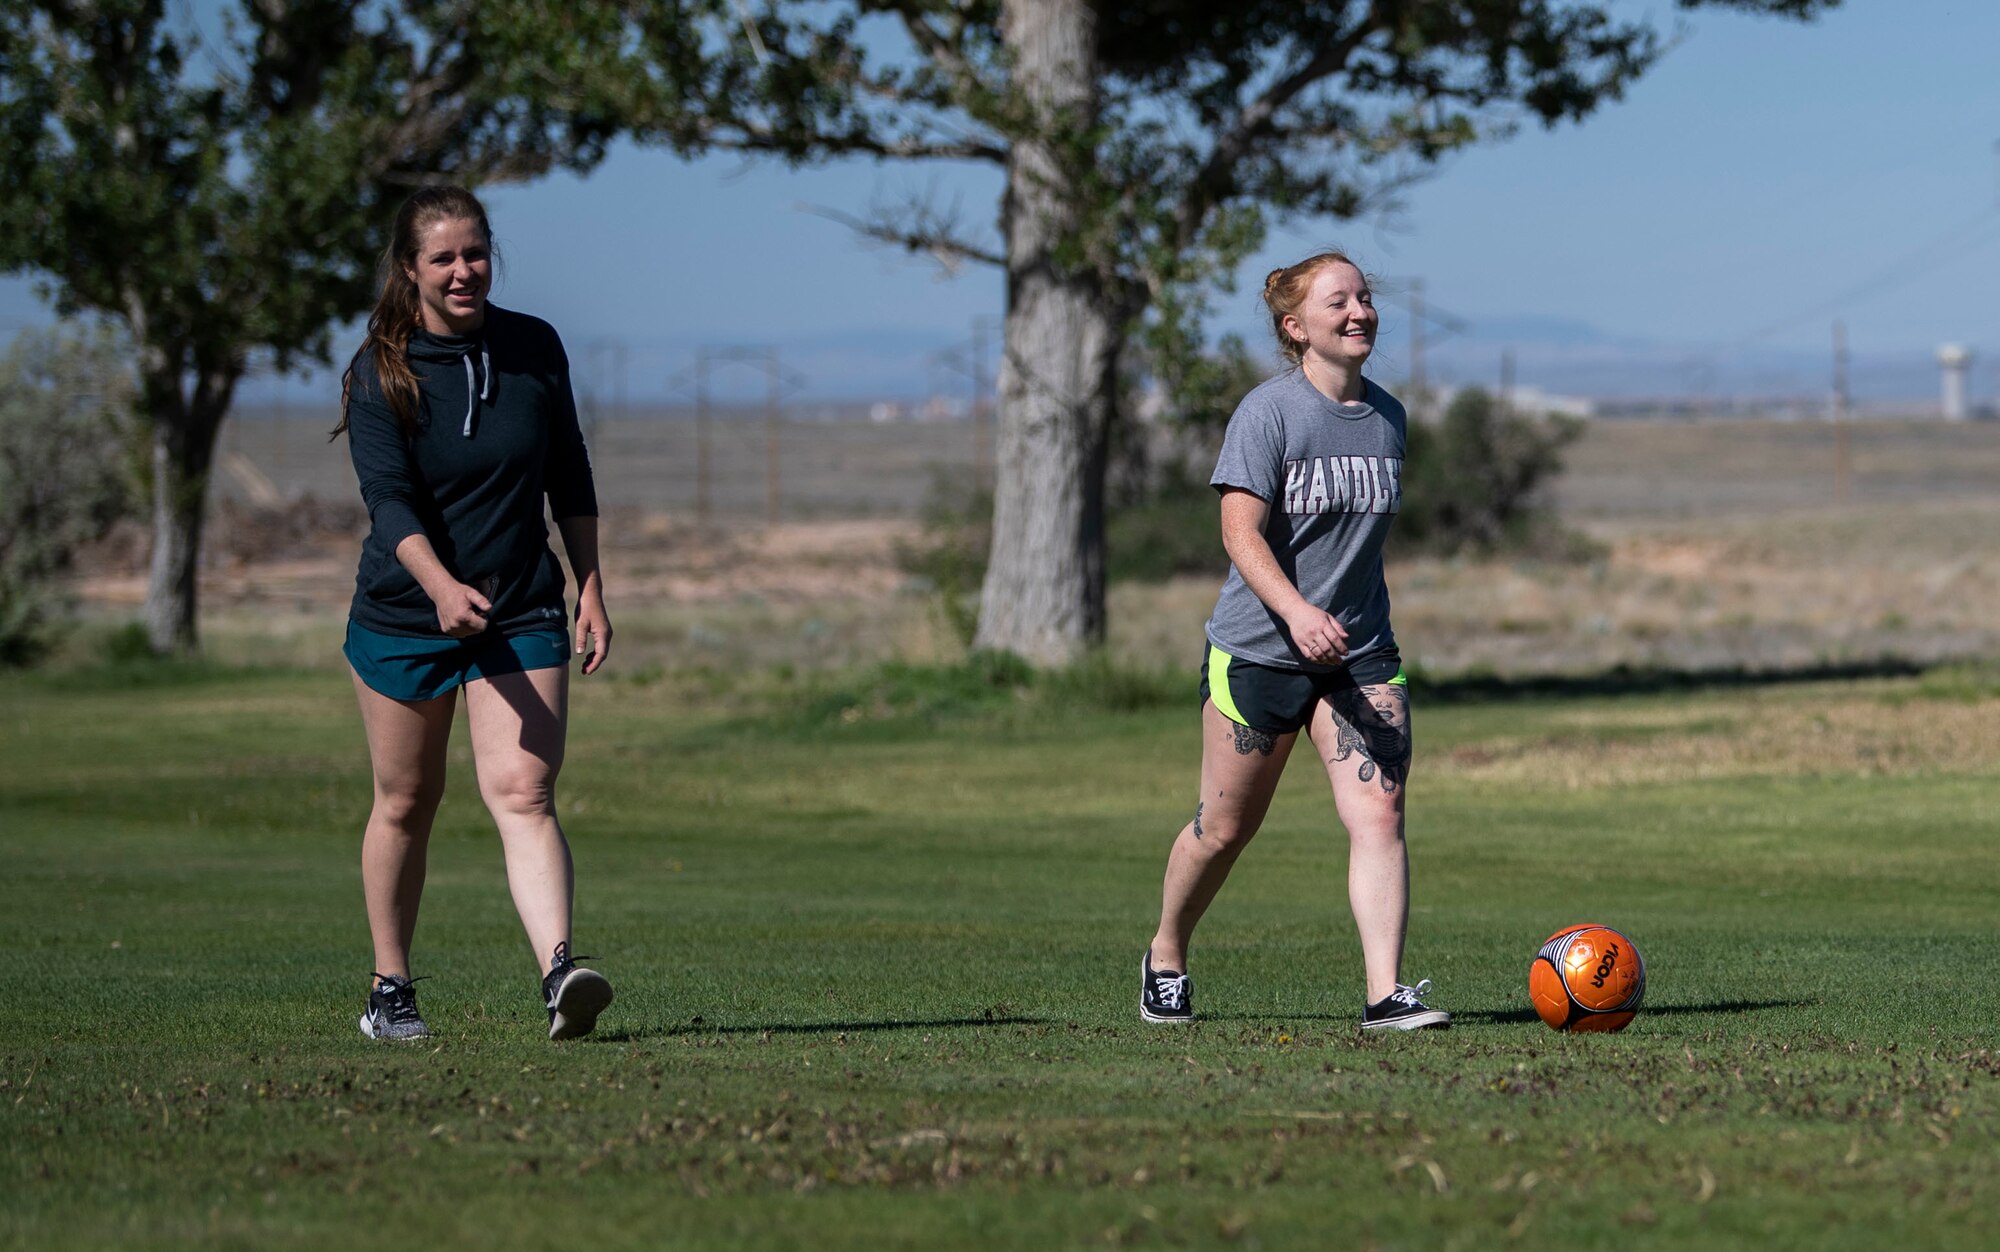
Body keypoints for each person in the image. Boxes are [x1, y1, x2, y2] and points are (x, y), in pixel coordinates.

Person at [1140, 251, 1448, 1032]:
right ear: (1295, 326)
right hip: (1260, 651)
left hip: (1360, 653)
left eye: (1367, 298)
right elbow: (1238, 531)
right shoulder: (1268, 413)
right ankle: (1167, 953)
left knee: (1380, 814)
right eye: (1339, 301)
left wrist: (1342, 620)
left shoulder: (1389, 416)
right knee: (1224, 829)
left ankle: (1386, 994)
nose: (1360, 313)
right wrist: (1297, 612)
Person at [334, 185, 614, 1042]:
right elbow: (388, 501)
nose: (465, 271)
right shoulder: (379, 370)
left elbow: (568, 467)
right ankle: (391, 991)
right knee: (407, 800)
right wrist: (440, 588)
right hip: (404, 615)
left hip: (523, 602)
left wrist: (591, 582)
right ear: (411, 269)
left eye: (476, 252)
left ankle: (562, 970)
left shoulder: (534, 347)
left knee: (525, 789)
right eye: (445, 258)